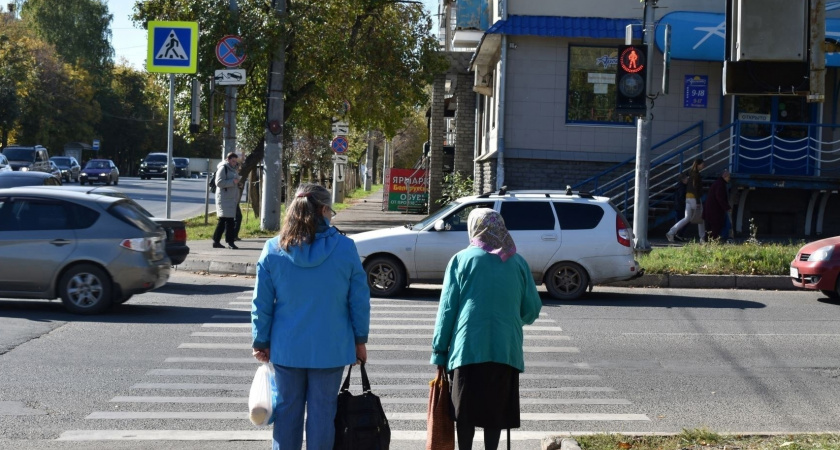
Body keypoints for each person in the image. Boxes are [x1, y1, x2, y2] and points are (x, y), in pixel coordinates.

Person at [251, 183, 370, 450]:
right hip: (331, 348)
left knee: (287, 414)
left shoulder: (273, 249)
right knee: (322, 416)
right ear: (325, 209)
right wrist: (360, 340)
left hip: (286, 347)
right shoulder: (345, 248)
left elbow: (261, 303)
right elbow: (359, 301)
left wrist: (260, 341)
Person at [430, 208, 542, 450]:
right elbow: (532, 309)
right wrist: (510, 319)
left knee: (465, 414)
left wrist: (439, 351)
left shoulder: (461, 260)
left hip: (467, 350)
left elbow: (447, 310)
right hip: (505, 349)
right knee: (496, 414)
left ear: (474, 228)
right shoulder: (518, 262)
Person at [666, 158, 707, 243]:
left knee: (687, 218)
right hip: (694, 198)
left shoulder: (689, 173)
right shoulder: (696, 175)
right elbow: (696, 188)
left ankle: (671, 232)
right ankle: (702, 238)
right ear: (698, 165)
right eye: (702, 164)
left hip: (688, 198)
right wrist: (698, 201)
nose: (704, 166)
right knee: (700, 218)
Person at [212, 152, 241, 249]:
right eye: (233, 161)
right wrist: (233, 182)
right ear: (228, 159)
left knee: (223, 220)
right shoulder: (223, 168)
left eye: (235, 161)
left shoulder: (233, 169)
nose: (234, 163)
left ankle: (216, 241)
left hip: (231, 198)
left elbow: (234, 180)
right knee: (229, 221)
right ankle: (230, 242)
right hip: (224, 198)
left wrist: (237, 183)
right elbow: (219, 182)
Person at [703, 169, 731, 241]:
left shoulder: (717, 183)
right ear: (724, 176)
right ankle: (714, 241)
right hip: (715, 211)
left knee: (709, 228)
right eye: (728, 177)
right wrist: (727, 207)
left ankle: (709, 241)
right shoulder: (720, 185)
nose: (729, 179)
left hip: (710, 210)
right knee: (716, 227)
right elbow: (720, 197)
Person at [672, 173, 689, 242]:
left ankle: (677, 235)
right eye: (686, 178)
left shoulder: (678, 186)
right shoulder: (682, 187)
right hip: (681, 206)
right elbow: (681, 197)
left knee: (678, 221)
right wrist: (686, 202)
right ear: (683, 179)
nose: (687, 179)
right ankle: (679, 235)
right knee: (685, 221)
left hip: (677, 206)